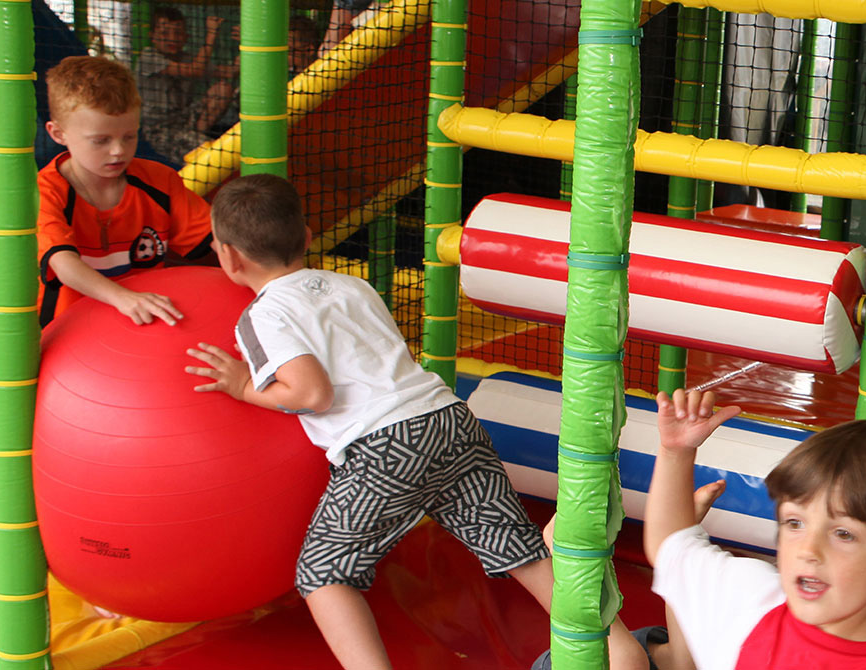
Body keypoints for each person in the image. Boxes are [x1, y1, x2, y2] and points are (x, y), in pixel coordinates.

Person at [183, 174, 661, 670]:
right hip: (446, 419)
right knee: (517, 546)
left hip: (385, 445)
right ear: (306, 237)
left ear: (229, 256)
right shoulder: (353, 285)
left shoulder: (261, 314)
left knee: (323, 573)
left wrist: (241, 386)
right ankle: (620, 649)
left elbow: (310, 392)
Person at [645, 388, 866, 670]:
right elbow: (670, 545)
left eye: (844, 534)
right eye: (795, 523)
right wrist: (676, 453)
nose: (809, 551)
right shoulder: (755, 597)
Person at [38, 56, 214, 327]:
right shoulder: (45, 192)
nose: (118, 150)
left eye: (129, 136)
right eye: (101, 140)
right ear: (58, 134)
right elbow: (63, 264)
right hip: (65, 330)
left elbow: (220, 240)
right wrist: (123, 298)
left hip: (139, 323)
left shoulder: (159, 181)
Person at [135, 6, 238, 161]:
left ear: (186, 37)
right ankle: (196, 141)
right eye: (164, 33)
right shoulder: (148, 58)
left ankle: (198, 132)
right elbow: (194, 70)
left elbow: (229, 72)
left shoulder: (186, 58)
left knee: (223, 89)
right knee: (212, 156)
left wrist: (245, 45)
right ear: (153, 37)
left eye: (177, 33)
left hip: (187, 118)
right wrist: (211, 34)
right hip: (162, 128)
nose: (172, 39)